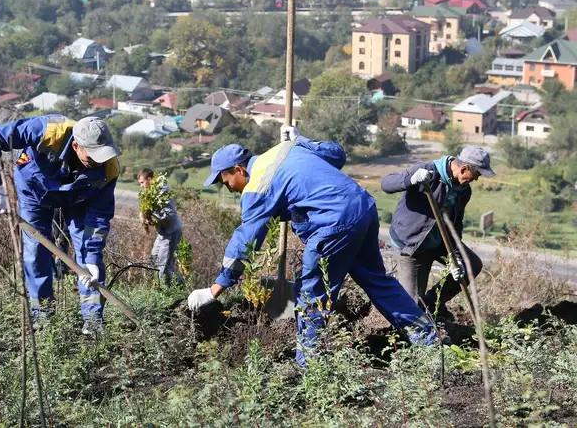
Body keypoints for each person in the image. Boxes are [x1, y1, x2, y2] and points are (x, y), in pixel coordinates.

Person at [187, 126, 437, 366]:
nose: (228, 189)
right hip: (363, 208)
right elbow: (337, 155)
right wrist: (301, 140)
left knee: (311, 293)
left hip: (334, 222)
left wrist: (214, 290)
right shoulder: (284, 149)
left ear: (238, 169)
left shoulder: (257, 186)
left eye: (225, 181)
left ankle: (309, 367)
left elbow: (245, 241)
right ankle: (430, 342)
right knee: (377, 281)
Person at [0, 115, 120, 335]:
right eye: (93, 156)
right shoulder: (47, 131)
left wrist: (92, 257)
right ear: (76, 146)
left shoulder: (109, 168)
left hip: (79, 199)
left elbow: (99, 216)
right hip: (34, 192)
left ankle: (92, 321)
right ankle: (43, 317)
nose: (98, 161)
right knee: (35, 252)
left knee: (89, 259)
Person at [381, 146, 490, 322]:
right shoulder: (427, 171)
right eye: (476, 174)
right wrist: (411, 179)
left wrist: (456, 258)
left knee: (471, 265)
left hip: (440, 242)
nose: (476, 179)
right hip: (413, 244)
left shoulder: (464, 191)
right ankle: (417, 314)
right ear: (464, 169)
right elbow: (386, 184)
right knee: (411, 306)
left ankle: (431, 305)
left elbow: (455, 225)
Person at [137, 168, 184, 288]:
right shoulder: (149, 194)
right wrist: (144, 218)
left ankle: (174, 288)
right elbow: (145, 211)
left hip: (171, 232)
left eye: (142, 182)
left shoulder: (162, 193)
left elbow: (168, 217)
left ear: (149, 179)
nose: (141, 186)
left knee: (164, 266)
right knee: (154, 260)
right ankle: (165, 285)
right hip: (163, 233)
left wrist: (152, 219)